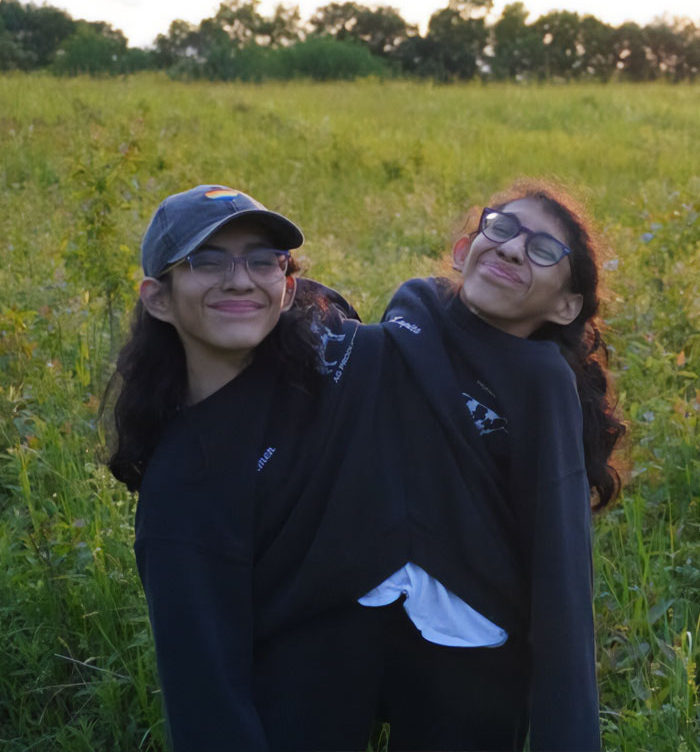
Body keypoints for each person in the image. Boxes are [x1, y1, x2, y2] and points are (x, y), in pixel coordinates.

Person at [109, 181, 623, 752]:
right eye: (207, 262)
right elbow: (202, 687)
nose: (240, 279)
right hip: (317, 642)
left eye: (263, 262)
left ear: (286, 285)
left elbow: (562, 577)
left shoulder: (347, 352)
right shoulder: (182, 485)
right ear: (157, 297)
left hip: (467, 650)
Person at [368, 180, 624, 751]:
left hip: (472, 639)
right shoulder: (411, 313)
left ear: (566, 305)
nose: (511, 249)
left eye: (543, 251)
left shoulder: (542, 384)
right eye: (503, 228)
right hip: (362, 604)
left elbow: (560, 562)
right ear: (467, 248)